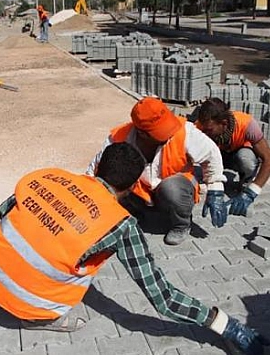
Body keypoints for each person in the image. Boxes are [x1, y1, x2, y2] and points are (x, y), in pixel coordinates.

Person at [0, 142, 268, 355]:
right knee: (82, 261)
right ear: (130, 187)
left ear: (99, 165)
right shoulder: (121, 224)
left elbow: (5, 211)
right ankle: (40, 317)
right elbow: (163, 299)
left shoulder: (51, 177)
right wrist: (226, 326)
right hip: (25, 303)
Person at [87, 97, 229, 246]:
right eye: (161, 131)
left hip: (174, 188)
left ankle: (181, 224)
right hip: (140, 193)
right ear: (142, 133)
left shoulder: (185, 131)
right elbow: (97, 168)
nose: (168, 133)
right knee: (114, 179)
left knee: (171, 189)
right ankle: (134, 213)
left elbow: (211, 154)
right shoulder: (120, 137)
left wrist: (216, 190)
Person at [194, 97, 270, 217]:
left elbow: (269, 160)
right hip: (218, 156)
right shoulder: (200, 126)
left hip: (237, 156)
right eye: (204, 129)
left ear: (224, 123)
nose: (205, 132)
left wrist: (252, 191)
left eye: (209, 130)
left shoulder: (247, 124)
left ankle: (245, 183)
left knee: (246, 160)